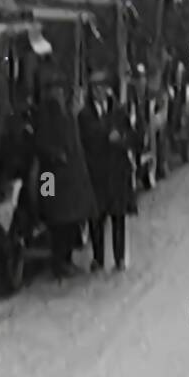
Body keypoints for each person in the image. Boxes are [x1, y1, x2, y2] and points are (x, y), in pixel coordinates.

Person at [34, 66, 98, 278]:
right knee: (54, 218)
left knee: (69, 219)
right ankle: (58, 261)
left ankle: (65, 259)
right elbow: (41, 143)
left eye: (59, 89)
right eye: (55, 89)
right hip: (50, 174)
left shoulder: (66, 112)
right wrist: (55, 155)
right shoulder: (46, 113)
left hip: (68, 175)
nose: (58, 93)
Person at [78, 69, 136, 272]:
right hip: (97, 172)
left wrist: (120, 139)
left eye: (102, 88)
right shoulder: (85, 115)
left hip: (117, 171)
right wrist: (107, 136)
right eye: (95, 89)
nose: (99, 92)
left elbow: (131, 135)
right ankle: (98, 258)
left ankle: (120, 258)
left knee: (118, 217)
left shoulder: (119, 111)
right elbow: (88, 136)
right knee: (97, 218)